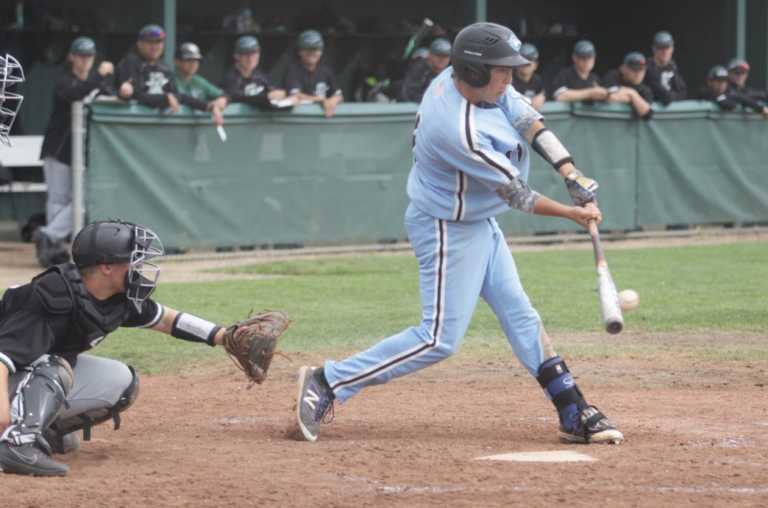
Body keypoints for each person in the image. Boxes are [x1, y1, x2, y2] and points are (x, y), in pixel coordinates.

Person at [294, 22, 624, 446]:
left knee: (521, 316)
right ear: (473, 72)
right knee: (438, 339)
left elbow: (529, 120)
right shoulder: (457, 127)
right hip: (446, 227)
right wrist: (571, 214)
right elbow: (517, 195)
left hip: (477, 221)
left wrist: (569, 171)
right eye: (501, 70)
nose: (510, 77)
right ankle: (328, 381)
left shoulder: (483, 87)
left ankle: (572, 408)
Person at [0, 220, 284, 477]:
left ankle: (40, 429)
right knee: (55, 367)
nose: (140, 267)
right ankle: (15, 444)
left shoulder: (116, 296)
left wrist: (225, 336)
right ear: (106, 266)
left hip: (24, 376)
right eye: (132, 260)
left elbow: (166, 320)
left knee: (121, 383)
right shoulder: (50, 297)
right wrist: (2, 415)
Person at [36, 37, 114, 268]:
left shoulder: (96, 81)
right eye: (81, 55)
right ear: (72, 57)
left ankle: (48, 234)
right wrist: (99, 75)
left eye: (89, 56)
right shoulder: (65, 80)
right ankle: (53, 250)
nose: (85, 60)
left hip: (82, 151)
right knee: (58, 201)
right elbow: (75, 94)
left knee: (83, 198)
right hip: (58, 149)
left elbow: (112, 94)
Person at [116, 24, 179, 112]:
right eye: (150, 42)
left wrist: (203, 105)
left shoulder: (165, 68)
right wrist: (165, 99)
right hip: (134, 120)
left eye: (158, 42)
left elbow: (176, 96)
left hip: (160, 122)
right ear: (139, 44)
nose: (154, 47)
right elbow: (134, 94)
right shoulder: (131, 62)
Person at [283, 30, 343, 118]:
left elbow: (338, 95)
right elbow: (296, 95)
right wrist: (321, 100)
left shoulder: (325, 71)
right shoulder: (293, 71)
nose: (312, 53)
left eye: (315, 49)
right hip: (299, 119)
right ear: (300, 51)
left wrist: (333, 100)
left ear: (321, 52)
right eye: (308, 49)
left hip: (324, 120)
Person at [220, 35, 289, 109]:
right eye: (245, 54)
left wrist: (280, 94)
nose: (250, 58)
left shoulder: (260, 75)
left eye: (254, 53)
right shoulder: (230, 78)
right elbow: (235, 97)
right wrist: (266, 97)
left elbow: (272, 90)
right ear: (236, 56)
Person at [173, 42, 228, 126]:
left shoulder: (199, 81)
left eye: (196, 60)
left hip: (196, 127)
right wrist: (210, 106)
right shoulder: (170, 80)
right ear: (177, 61)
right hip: (174, 126)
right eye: (188, 60)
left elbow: (224, 95)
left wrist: (220, 102)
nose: (193, 64)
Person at [699, 65, 768, 116]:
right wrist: (722, 99)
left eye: (724, 81)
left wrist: (761, 109)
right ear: (710, 82)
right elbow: (726, 104)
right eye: (718, 80)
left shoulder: (729, 92)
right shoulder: (705, 93)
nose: (721, 84)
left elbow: (743, 99)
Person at [398, 37, 452, 103]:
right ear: (430, 55)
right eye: (438, 55)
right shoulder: (419, 70)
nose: (442, 59)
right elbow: (409, 95)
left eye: (446, 56)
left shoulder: (451, 73)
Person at [602, 52, 653, 119]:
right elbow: (609, 96)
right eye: (635, 69)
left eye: (641, 69)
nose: (638, 73)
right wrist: (632, 95)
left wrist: (632, 94)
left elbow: (647, 114)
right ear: (623, 68)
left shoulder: (645, 89)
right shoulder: (613, 76)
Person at [643, 31, 687, 105]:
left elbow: (683, 92)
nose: (664, 51)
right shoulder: (646, 67)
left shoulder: (673, 66)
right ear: (654, 49)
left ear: (672, 49)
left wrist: (671, 97)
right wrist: (670, 96)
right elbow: (661, 95)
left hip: (671, 112)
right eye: (660, 48)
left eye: (667, 47)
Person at [512, 43, 546, 110]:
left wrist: (542, 97)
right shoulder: (509, 79)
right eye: (522, 62)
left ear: (536, 65)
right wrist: (530, 102)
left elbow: (543, 94)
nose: (525, 64)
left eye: (528, 63)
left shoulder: (537, 80)